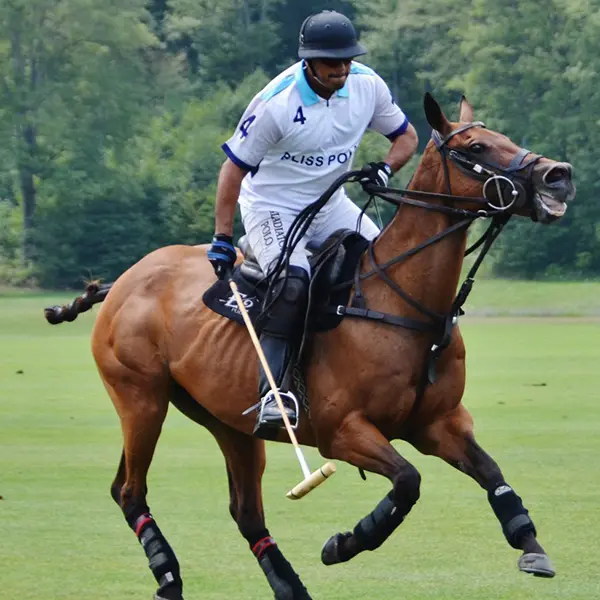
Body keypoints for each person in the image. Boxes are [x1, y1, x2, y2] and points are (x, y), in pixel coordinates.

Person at [207, 10, 419, 436]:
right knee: (292, 281)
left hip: (330, 203)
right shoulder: (276, 104)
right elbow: (232, 171)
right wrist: (222, 236)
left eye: (347, 60)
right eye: (331, 63)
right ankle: (274, 392)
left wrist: (386, 169)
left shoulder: (366, 85)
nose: (342, 69)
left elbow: (407, 137)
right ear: (309, 61)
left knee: (391, 267)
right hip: (273, 207)